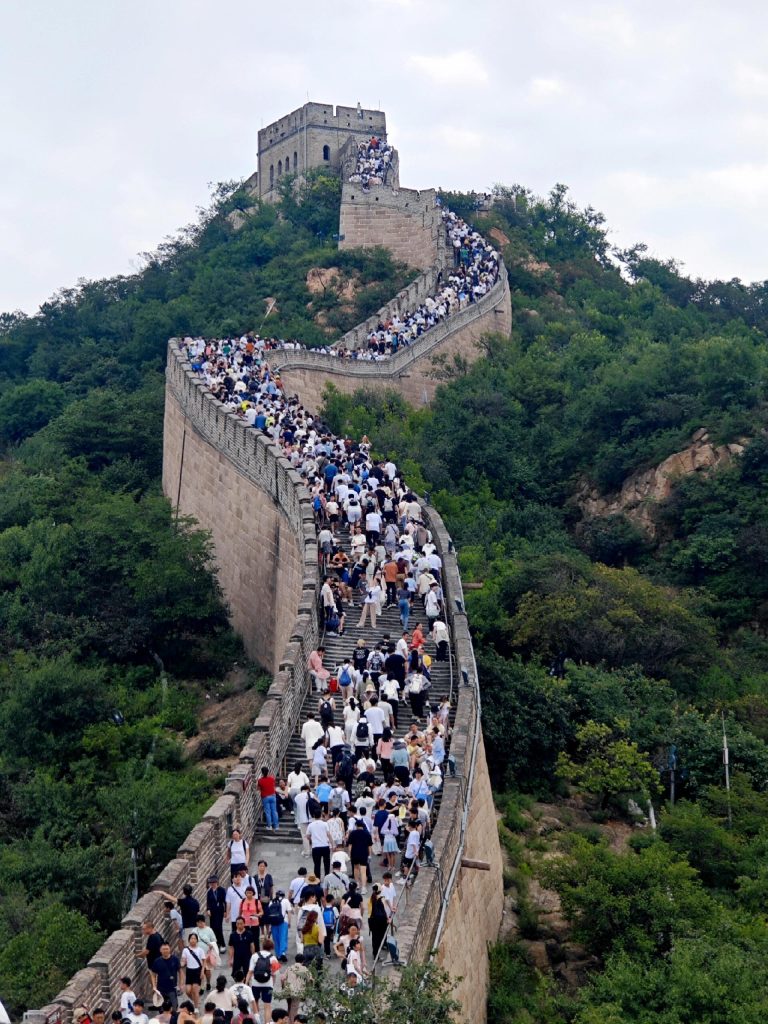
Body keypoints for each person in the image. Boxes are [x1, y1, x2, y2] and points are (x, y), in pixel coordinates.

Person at [246, 937, 280, 1024]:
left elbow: (250, 971)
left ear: (262, 946)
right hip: (268, 984)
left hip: (255, 983)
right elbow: (275, 974)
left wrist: (246, 983)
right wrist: (272, 984)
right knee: (267, 1006)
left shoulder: (254, 956)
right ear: (271, 948)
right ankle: (267, 1022)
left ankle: (257, 1021)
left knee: (255, 1002)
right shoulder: (273, 958)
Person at [279, 955, 311, 1024]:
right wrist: (307, 989)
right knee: (294, 1009)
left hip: (288, 991)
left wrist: (283, 987)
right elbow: (310, 980)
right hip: (297, 992)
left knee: (289, 1007)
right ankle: (291, 1022)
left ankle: (287, 1021)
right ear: (303, 961)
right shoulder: (305, 969)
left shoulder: (289, 968)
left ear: (295, 960)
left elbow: (282, 978)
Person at [150, 943, 182, 1011]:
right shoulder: (157, 961)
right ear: (160, 950)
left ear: (170, 949)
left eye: (167, 949)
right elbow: (153, 974)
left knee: (174, 1007)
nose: (165, 951)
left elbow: (180, 972)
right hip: (161, 989)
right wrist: (154, 986)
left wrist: (180, 984)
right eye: (163, 949)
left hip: (172, 988)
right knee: (161, 1008)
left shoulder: (175, 959)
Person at [346, 819, 373, 893]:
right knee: (363, 871)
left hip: (354, 853)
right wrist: (370, 855)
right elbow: (369, 846)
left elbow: (350, 845)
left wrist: (349, 855)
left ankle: (357, 884)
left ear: (356, 825)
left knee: (356, 869)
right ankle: (363, 888)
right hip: (364, 854)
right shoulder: (367, 834)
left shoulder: (352, 833)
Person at [180, 932, 204, 1010]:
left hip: (197, 971)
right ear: (189, 940)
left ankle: (196, 1008)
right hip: (189, 971)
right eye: (191, 938)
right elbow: (183, 960)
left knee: (195, 989)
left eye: (194, 938)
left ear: (197, 940)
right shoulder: (185, 950)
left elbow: (203, 962)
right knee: (188, 991)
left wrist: (202, 971)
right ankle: (195, 1001)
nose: (193, 940)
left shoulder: (200, 950)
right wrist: (182, 963)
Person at [367, 886, 389, 958]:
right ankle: (379, 951)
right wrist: (387, 919)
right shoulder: (380, 899)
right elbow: (383, 911)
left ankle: (375, 954)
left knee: (375, 939)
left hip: (372, 921)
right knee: (380, 938)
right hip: (381, 922)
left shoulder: (371, 899)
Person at [206, 876, 227, 952]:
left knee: (218, 927)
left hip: (219, 911)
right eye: (211, 883)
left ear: (217, 882)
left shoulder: (221, 890)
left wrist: (225, 911)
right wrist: (208, 909)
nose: (212, 884)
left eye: (214, 882)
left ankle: (223, 944)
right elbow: (208, 902)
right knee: (213, 928)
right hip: (212, 912)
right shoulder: (209, 892)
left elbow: (225, 901)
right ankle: (216, 943)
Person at [258, 766, 279, 832]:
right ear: (268, 772)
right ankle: (276, 826)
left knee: (268, 812)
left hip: (265, 797)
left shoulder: (260, 780)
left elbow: (258, 788)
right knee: (274, 811)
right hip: (273, 796)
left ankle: (269, 826)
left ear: (262, 772)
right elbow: (273, 786)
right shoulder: (272, 778)